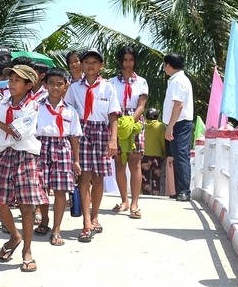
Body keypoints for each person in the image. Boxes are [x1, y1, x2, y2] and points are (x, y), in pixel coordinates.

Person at [0, 64, 46, 272]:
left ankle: (27, 250)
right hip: (4, 153)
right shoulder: (2, 103)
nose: (11, 84)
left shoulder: (33, 105)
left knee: (26, 204)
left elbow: (17, 132)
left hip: (25, 155)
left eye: (16, 81)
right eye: (10, 80)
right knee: (0, 203)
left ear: (29, 84)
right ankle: (15, 236)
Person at [65, 49, 120, 242]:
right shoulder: (74, 88)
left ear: (101, 65)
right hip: (81, 131)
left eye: (95, 62)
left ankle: (95, 215)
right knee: (84, 177)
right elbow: (68, 111)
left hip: (101, 131)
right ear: (81, 64)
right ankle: (86, 222)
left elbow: (113, 115)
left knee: (98, 178)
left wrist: (113, 139)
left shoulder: (108, 87)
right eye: (86, 61)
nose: (90, 65)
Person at [34, 68, 83, 246]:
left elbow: (74, 136)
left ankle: (56, 228)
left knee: (61, 190)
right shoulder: (37, 107)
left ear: (66, 86)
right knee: (42, 188)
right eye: (52, 83)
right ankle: (45, 219)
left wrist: (76, 160)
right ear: (45, 85)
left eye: (59, 84)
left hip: (62, 148)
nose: (55, 87)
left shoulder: (71, 111)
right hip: (42, 146)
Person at [110, 46, 149, 218]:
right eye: (125, 60)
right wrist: (120, 125)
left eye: (131, 60)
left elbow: (141, 105)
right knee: (119, 163)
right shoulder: (111, 83)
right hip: (117, 122)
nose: (128, 63)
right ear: (119, 61)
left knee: (135, 163)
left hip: (135, 122)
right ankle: (124, 200)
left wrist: (130, 122)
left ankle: (135, 203)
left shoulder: (142, 82)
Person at [162, 53, 195, 201]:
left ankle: (184, 190)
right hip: (178, 122)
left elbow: (178, 105)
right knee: (177, 155)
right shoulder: (179, 79)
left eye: (164, 65)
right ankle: (180, 188)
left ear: (169, 65)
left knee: (181, 155)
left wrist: (170, 126)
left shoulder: (177, 81)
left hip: (179, 123)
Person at [141, 108, 166, 196]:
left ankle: (145, 194)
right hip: (157, 157)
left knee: (144, 177)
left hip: (144, 155)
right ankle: (156, 195)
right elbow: (162, 141)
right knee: (156, 178)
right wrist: (164, 152)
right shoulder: (160, 126)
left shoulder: (142, 125)